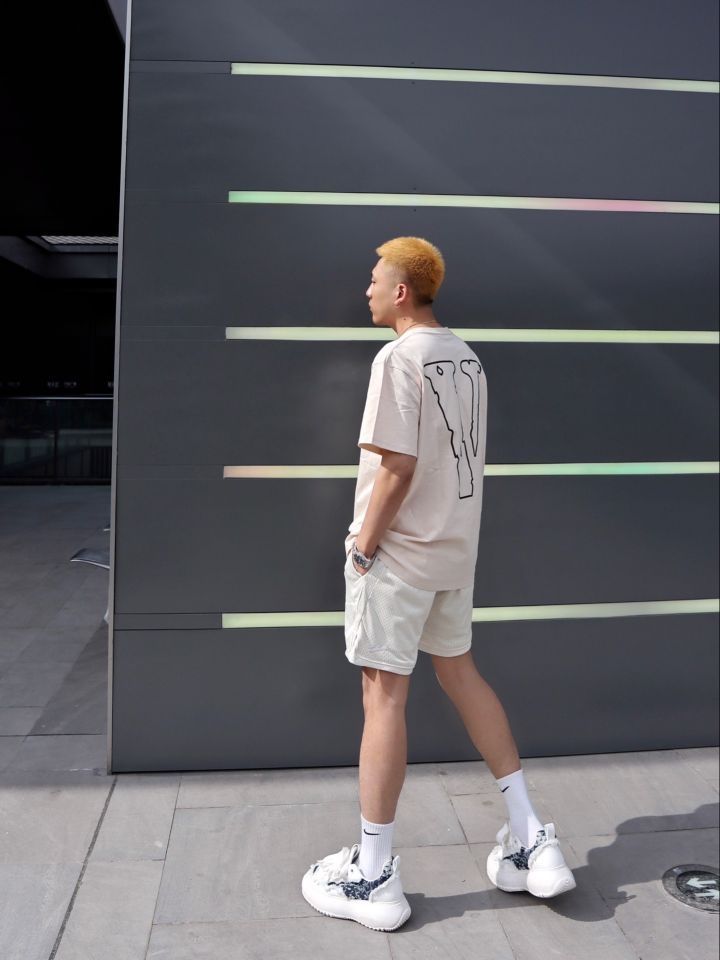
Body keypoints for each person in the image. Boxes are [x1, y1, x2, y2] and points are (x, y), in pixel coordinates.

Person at [301, 237, 575, 932]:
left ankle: (373, 875)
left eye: (374, 280)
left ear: (401, 290)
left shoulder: (398, 358)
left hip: (399, 559)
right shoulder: (466, 356)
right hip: (453, 554)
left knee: (383, 698)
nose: (365, 290)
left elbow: (396, 465)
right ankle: (531, 836)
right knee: (461, 674)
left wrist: (363, 548)